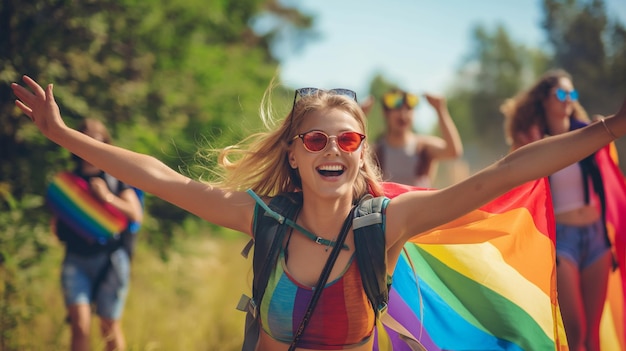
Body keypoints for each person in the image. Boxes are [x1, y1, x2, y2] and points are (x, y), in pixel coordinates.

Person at [11, 75, 626, 351]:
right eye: (315, 140)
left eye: (348, 141)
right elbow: (160, 176)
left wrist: (613, 127)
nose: (333, 149)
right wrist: (64, 136)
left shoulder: (390, 225)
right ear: (295, 156)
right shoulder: (263, 219)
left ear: (363, 156)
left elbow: (507, 172)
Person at [501, 69, 618, 351]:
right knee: (574, 331)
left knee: (593, 335)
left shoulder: (587, 132)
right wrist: (525, 145)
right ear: (544, 100)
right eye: (561, 94)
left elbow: (609, 178)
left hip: (596, 237)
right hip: (561, 240)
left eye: (572, 94)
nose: (568, 99)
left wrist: (604, 131)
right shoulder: (533, 140)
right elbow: (515, 179)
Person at [48, 118, 143, 351]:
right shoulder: (68, 182)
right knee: (80, 326)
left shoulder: (117, 179)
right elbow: (58, 222)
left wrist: (107, 198)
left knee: (109, 327)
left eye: (96, 140)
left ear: (104, 143)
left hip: (110, 260)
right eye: (84, 139)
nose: (90, 145)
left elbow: (135, 215)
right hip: (75, 258)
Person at [361, 89, 463, 187]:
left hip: (422, 205)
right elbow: (355, 159)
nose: (403, 114)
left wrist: (440, 109)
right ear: (385, 113)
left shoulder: (423, 147)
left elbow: (454, 151)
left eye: (408, 109)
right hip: (390, 205)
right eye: (398, 109)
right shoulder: (376, 151)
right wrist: (359, 116)